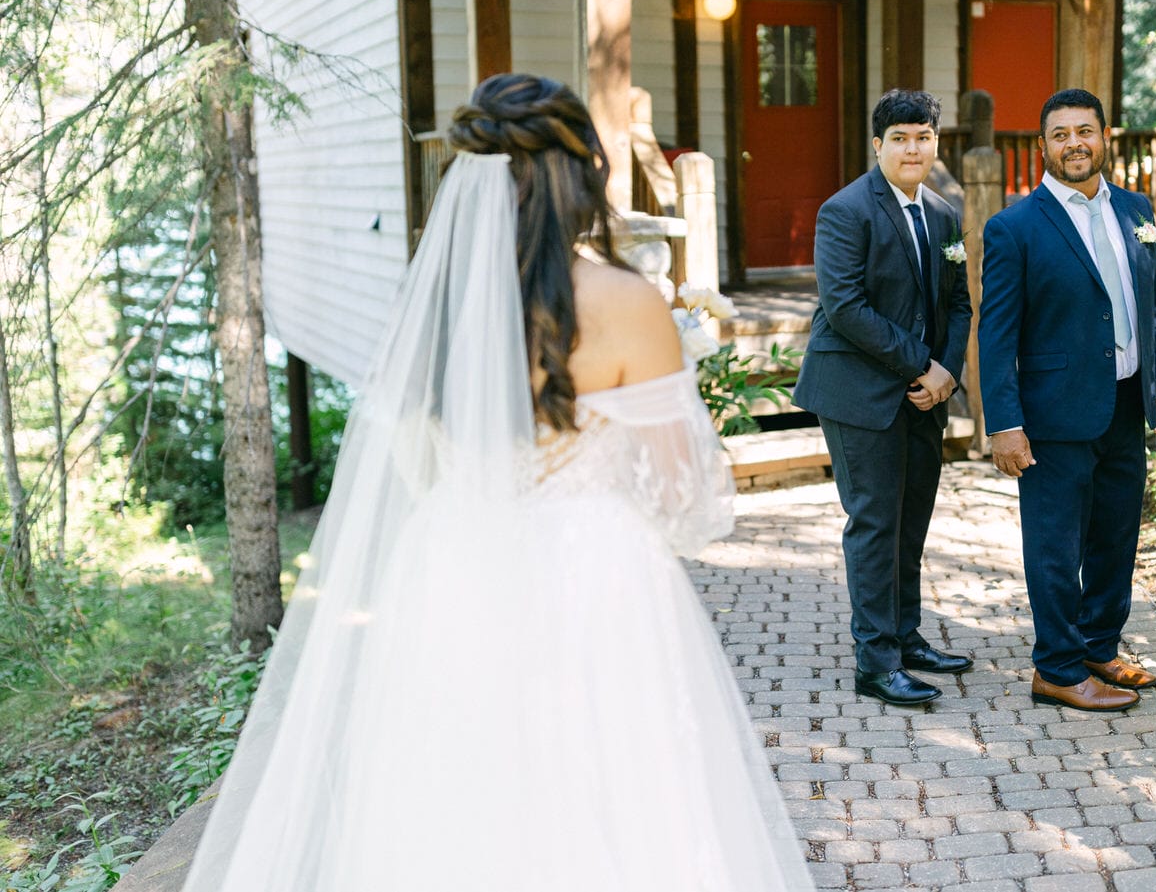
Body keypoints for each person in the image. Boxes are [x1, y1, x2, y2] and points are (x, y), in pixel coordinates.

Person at [180, 74, 815, 891]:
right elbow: (689, 504)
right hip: (593, 577)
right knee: (617, 803)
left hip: (450, 566)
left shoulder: (432, 309)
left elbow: (413, 466)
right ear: (578, 175)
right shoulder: (625, 303)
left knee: (456, 807)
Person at [978, 87, 1156, 714]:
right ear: (1044, 146)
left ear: (1104, 138)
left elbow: (1153, 307)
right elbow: (996, 333)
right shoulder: (1013, 227)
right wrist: (1005, 422)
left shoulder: (1137, 209)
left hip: (1126, 404)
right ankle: (1058, 670)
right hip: (1054, 414)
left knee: (1117, 537)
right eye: (1061, 134)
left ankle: (1099, 647)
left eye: (1085, 131)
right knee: (1055, 547)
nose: (1074, 143)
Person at [793, 89, 974, 707]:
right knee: (874, 523)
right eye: (899, 138)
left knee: (911, 520)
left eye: (922, 136)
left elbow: (957, 303)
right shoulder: (845, 211)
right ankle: (875, 662)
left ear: (935, 143)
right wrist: (921, 363)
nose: (912, 148)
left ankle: (905, 636)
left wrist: (946, 371)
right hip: (857, 391)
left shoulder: (945, 216)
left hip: (924, 394)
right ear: (878, 146)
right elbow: (845, 307)